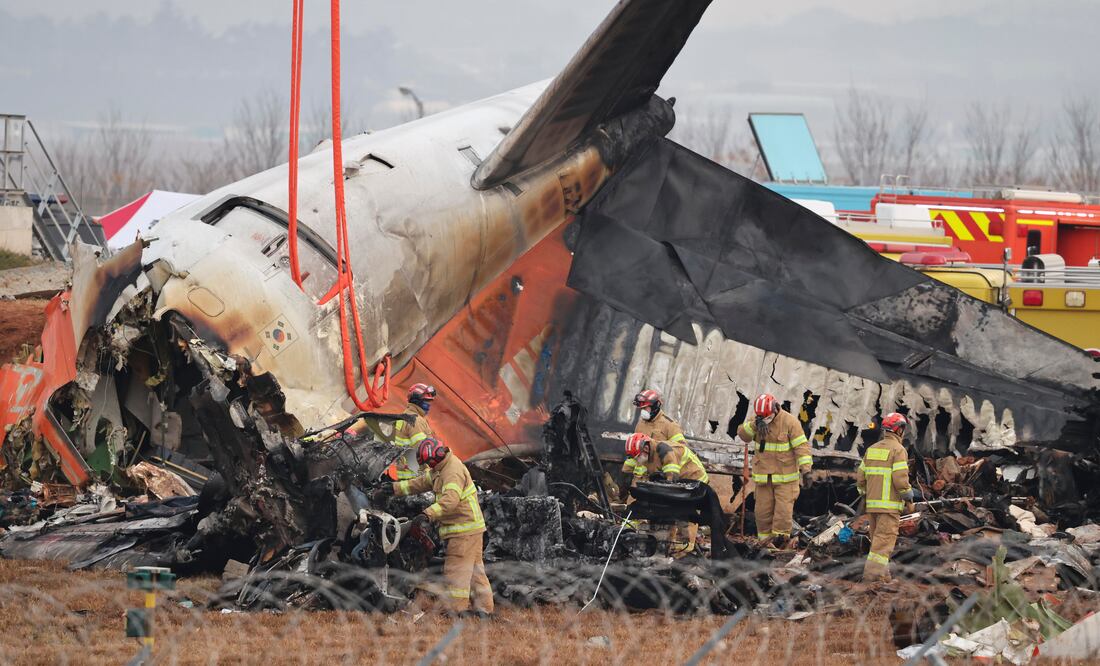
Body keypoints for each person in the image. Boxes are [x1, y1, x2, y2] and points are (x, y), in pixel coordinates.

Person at [376, 437, 493, 618]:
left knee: (456, 571)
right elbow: (421, 483)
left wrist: (427, 514)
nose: (429, 467)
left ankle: (457, 611)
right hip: (470, 529)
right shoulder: (441, 467)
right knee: (475, 573)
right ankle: (484, 610)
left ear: (434, 457)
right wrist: (394, 488)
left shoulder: (452, 471)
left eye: (429, 463)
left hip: (463, 530)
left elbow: (450, 500)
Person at [621, 389, 709, 555]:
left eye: (646, 408)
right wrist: (626, 474)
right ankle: (645, 537)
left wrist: (668, 479)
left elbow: (679, 449)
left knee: (682, 510)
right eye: (641, 409)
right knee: (643, 506)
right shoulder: (640, 424)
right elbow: (636, 451)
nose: (643, 412)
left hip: (678, 475)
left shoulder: (669, 425)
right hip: (648, 474)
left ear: (655, 406)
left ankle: (682, 550)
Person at [736, 393, 812, 548]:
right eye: (761, 416)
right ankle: (765, 547)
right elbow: (743, 435)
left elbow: (801, 447)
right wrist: (754, 425)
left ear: (775, 408)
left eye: (767, 416)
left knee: (782, 516)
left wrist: (807, 471)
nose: (765, 419)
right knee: (762, 514)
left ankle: (780, 546)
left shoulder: (790, 422)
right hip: (764, 478)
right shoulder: (757, 420)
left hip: (785, 479)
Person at [856, 412, 913, 582]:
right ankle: (872, 579)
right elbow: (900, 479)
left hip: (873, 507)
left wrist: (866, 494)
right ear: (899, 430)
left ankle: (884, 578)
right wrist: (909, 498)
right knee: (883, 545)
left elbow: (860, 478)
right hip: (889, 508)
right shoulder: (898, 450)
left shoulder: (871, 449)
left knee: (878, 544)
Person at [392, 383, 436, 480]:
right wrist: (431, 473)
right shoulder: (416, 421)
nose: (429, 405)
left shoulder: (404, 416)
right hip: (417, 476)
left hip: (405, 475)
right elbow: (423, 450)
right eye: (426, 401)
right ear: (417, 400)